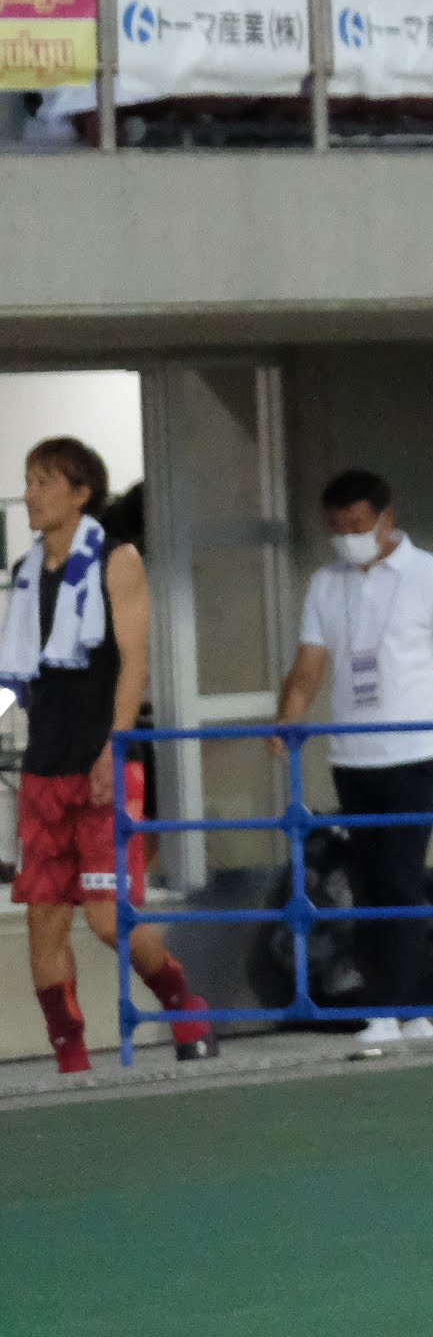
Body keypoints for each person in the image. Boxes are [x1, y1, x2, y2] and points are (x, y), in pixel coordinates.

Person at [10, 437, 218, 1072]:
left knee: (107, 920)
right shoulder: (23, 575)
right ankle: (71, 1058)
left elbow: (134, 662)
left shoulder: (116, 561)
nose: (31, 493)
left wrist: (114, 743)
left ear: (81, 495)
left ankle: (186, 1007)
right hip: (43, 767)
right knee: (42, 924)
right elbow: (16, 676)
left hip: (102, 763)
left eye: (46, 482)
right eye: (28, 480)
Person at [272, 468, 433, 1057]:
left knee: (399, 877)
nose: (347, 536)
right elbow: (310, 663)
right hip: (352, 753)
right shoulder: (324, 583)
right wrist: (288, 713)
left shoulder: (431, 577)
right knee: (367, 883)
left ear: (387, 519)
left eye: (358, 525)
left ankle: (389, 1005)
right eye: (336, 527)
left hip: (416, 751)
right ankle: (410, 1005)